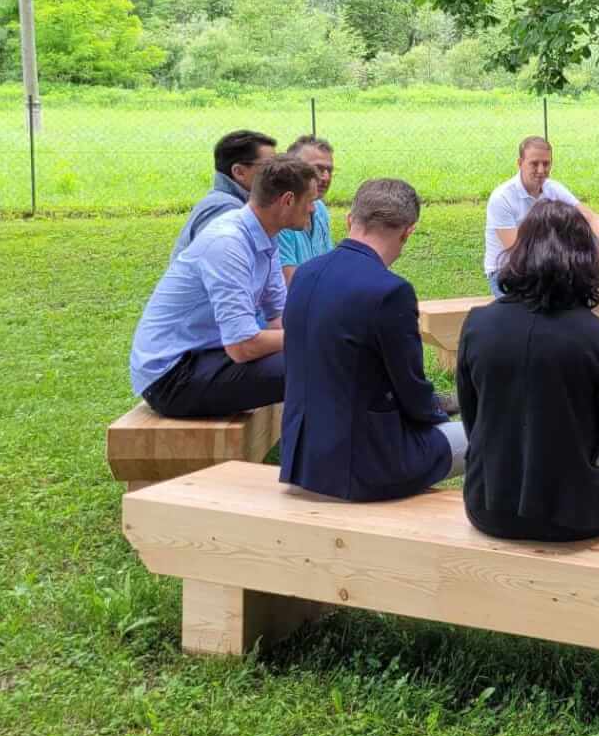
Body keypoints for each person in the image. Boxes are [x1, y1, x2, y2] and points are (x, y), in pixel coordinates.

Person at [457, 200, 599, 541]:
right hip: (576, 515)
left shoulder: (477, 324)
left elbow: (473, 422)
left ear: (519, 253)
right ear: (584, 259)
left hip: (488, 506)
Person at [280, 178, 466, 501]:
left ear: (349, 220)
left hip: (301, 460)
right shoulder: (390, 292)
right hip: (362, 468)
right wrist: (439, 411)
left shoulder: (304, 274)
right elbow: (411, 390)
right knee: (491, 432)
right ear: (407, 232)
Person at [130, 153, 318, 419]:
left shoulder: (265, 236)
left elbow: (279, 318)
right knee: (320, 364)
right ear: (287, 200)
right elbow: (242, 346)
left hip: (207, 356)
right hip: (171, 377)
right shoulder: (227, 244)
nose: (313, 209)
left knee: (323, 356)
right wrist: (316, 336)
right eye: (310, 201)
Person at [482, 135, 599, 292]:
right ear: (520, 163)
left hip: (545, 268)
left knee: (590, 240)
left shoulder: (553, 189)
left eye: (546, 164)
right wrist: (565, 258)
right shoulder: (502, 198)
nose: (541, 170)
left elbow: (592, 217)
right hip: (507, 271)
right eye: (534, 164)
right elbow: (517, 252)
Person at [172, 129, 276, 257]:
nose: (277, 173)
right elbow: (218, 263)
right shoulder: (225, 210)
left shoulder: (228, 202)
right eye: (269, 167)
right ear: (239, 172)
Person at [278, 135, 336, 283]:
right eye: (317, 169)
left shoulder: (320, 208)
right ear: (292, 169)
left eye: (329, 170)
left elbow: (329, 266)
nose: (326, 177)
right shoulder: (280, 216)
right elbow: (290, 283)